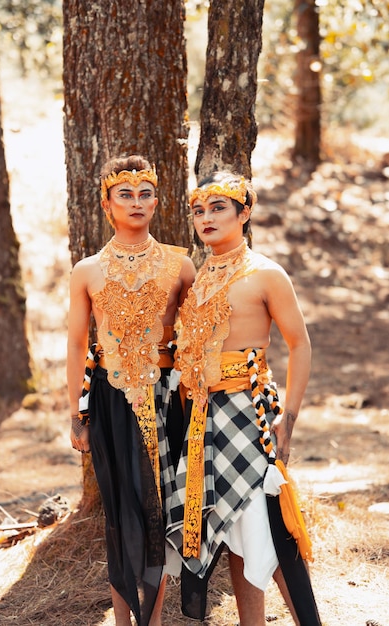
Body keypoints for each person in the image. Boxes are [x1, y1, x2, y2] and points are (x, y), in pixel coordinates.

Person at [166, 171, 322, 625]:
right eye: (199, 210)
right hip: (202, 420)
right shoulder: (197, 281)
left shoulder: (266, 274)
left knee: (272, 529)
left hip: (247, 414)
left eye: (219, 208)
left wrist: (288, 420)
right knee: (232, 530)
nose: (206, 218)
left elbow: (301, 344)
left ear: (244, 213)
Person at [67, 155, 196, 626]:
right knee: (120, 511)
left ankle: (154, 620)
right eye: (126, 194)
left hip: (166, 400)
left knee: (157, 510)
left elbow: (197, 337)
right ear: (107, 205)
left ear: (157, 202)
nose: (136, 202)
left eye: (145, 194)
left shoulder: (181, 265)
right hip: (109, 397)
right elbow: (77, 343)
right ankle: (124, 621)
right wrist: (75, 413)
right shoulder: (87, 270)